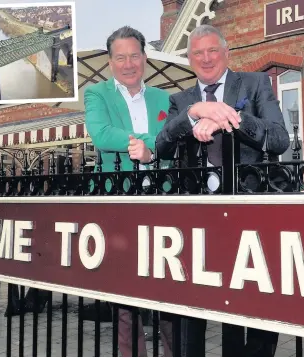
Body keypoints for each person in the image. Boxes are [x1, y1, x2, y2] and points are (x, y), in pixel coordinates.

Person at [155, 24, 290, 356]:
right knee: (196, 305)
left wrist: (233, 118)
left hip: (249, 215)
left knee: (256, 304)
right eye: (197, 52)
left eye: (212, 50)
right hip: (199, 222)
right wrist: (195, 113)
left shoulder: (256, 84)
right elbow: (161, 147)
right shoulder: (180, 100)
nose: (205, 58)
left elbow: (280, 139)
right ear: (189, 59)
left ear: (227, 52)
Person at [84, 25, 173, 356]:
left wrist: (153, 149)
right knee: (125, 295)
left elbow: (173, 142)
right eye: (120, 57)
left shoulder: (165, 99)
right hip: (117, 201)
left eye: (134, 55)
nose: (128, 63)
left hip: (161, 201)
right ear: (110, 62)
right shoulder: (96, 94)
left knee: (168, 288)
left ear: (145, 58)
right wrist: (153, 143)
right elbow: (102, 135)